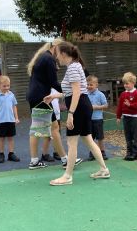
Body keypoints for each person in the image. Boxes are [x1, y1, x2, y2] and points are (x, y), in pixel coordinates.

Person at [44, 41, 110, 186]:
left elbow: (76, 92)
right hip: (83, 106)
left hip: (79, 108)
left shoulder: (73, 68)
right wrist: (55, 96)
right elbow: (72, 92)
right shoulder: (75, 66)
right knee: (88, 139)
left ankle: (67, 176)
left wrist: (70, 113)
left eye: (57, 54)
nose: (56, 57)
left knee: (71, 142)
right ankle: (104, 169)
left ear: (63, 54)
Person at [27, 39, 81, 169]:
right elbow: (53, 82)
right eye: (61, 49)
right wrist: (69, 91)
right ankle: (65, 159)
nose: (62, 52)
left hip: (36, 96)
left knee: (41, 128)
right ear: (56, 47)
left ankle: (36, 161)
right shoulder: (49, 58)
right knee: (52, 128)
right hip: (41, 98)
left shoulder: (43, 56)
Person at [0, 75, 20, 163]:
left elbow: (14, 106)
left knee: (11, 138)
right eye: (4, 86)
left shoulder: (11, 95)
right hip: (1, 121)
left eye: (8, 86)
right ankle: (1, 154)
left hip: (11, 120)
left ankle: (11, 154)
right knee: (1, 138)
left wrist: (16, 117)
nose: (6, 88)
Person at [116, 72, 137, 161]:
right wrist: (118, 116)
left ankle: (135, 153)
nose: (125, 85)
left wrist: (130, 105)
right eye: (124, 83)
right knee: (128, 135)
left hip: (134, 117)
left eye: (127, 83)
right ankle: (129, 152)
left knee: (135, 135)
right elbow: (120, 106)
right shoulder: (123, 94)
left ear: (133, 83)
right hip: (126, 117)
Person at [87, 75, 108, 160]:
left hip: (98, 119)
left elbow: (106, 105)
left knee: (100, 137)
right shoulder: (86, 94)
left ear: (96, 85)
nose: (89, 86)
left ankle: (102, 152)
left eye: (91, 85)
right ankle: (93, 152)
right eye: (88, 84)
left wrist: (97, 107)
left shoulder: (100, 95)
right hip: (89, 120)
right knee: (90, 138)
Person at [41, 88, 61, 162]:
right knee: (47, 136)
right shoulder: (43, 89)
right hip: (47, 115)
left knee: (57, 134)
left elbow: (63, 94)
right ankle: (44, 154)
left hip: (57, 116)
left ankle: (57, 152)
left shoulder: (56, 88)